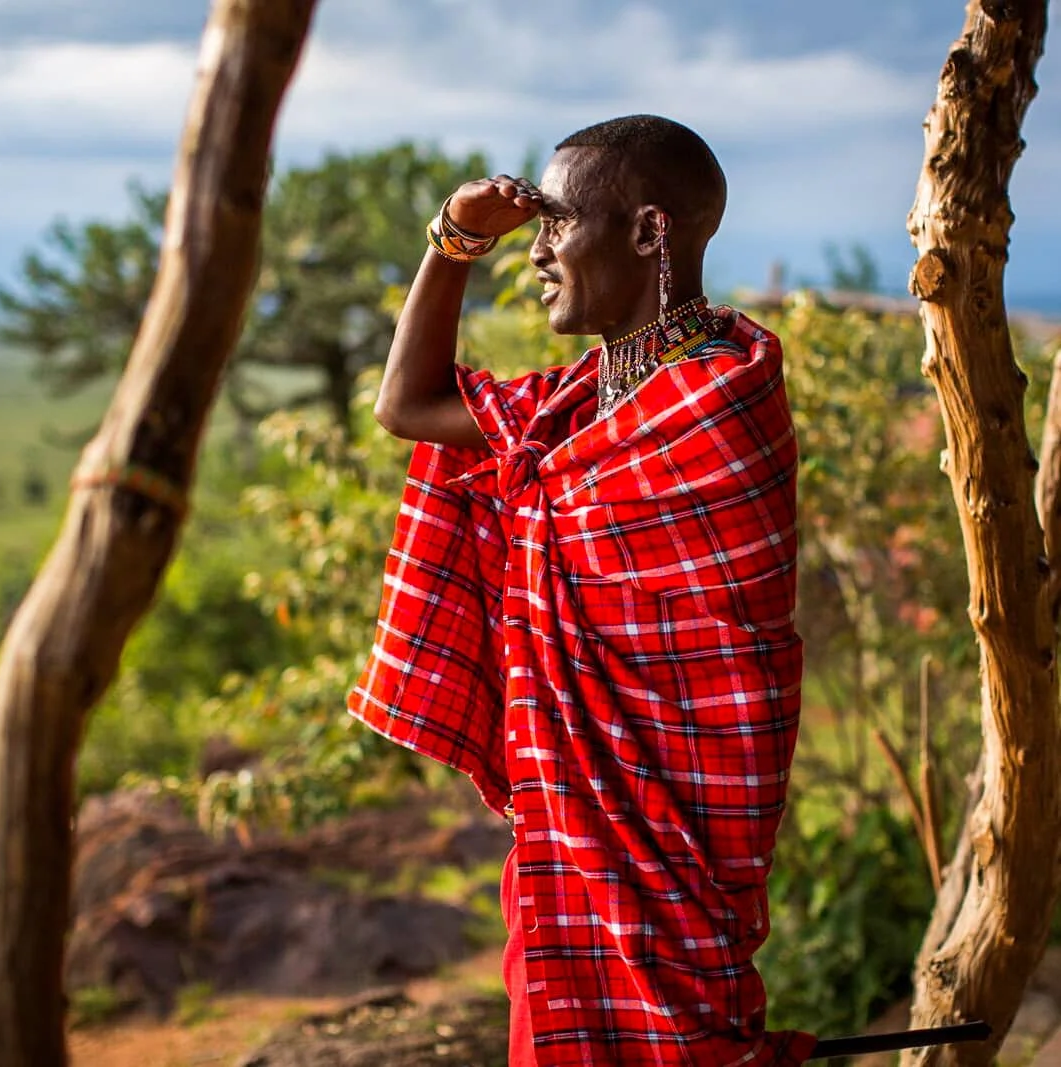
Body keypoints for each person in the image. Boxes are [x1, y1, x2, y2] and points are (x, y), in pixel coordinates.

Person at [347, 115, 815, 1066]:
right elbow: (406, 405)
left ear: (648, 233)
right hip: (569, 830)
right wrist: (454, 239)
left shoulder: (717, 400)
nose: (539, 256)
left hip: (678, 836)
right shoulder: (568, 407)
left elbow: (698, 643)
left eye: (557, 225)